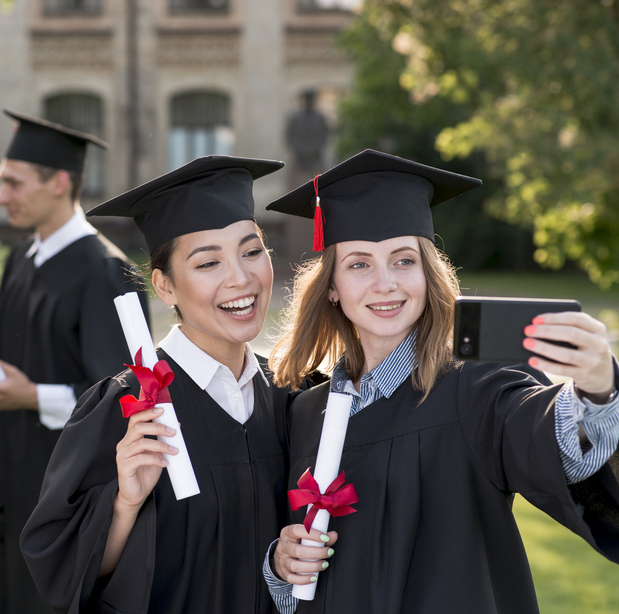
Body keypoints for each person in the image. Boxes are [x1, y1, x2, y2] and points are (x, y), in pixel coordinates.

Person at [263, 149, 619, 613]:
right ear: (332, 287)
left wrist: (598, 387)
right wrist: (281, 567)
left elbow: (552, 442)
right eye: (359, 264)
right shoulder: (306, 413)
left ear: (428, 273)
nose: (385, 283)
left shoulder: (478, 386)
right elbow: (299, 590)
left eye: (403, 260)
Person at [20, 155, 297, 613]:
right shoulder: (127, 407)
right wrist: (126, 502)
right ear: (164, 287)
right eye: (208, 263)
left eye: (252, 251)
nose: (241, 277)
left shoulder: (295, 395)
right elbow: (65, 573)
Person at [0, 109, 150, 614]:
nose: (1, 195)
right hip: (13, 487)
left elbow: (124, 398)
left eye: (13, 183)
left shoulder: (106, 271)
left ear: (59, 182)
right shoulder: (22, 258)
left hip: (64, 502)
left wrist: (32, 395)